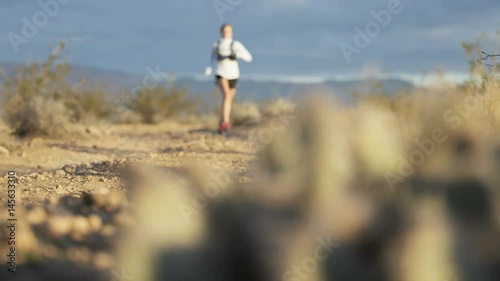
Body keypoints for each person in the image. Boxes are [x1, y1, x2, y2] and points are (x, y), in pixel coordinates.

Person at [205, 23, 253, 134]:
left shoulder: (235, 44)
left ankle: (222, 122)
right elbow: (210, 58)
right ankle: (225, 123)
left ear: (232, 32)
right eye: (224, 31)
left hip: (234, 74)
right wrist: (208, 68)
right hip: (221, 73)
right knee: (226, 95)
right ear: (221, 32)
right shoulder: (216, 45)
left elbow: (249, 57)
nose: (226, 33)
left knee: (229, 99)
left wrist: (238, 54)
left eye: (228, 31)